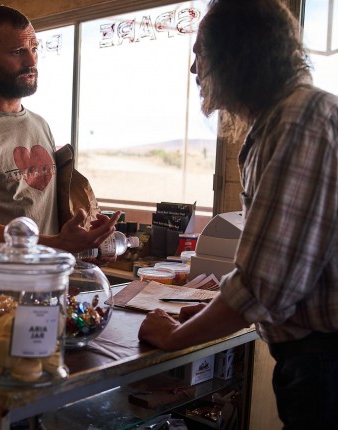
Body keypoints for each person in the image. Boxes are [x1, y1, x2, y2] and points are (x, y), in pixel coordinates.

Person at [138, 0, 338, 427]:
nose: (194, 70)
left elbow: (264, 286)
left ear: (236, 56)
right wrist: (209, 313)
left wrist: (175, 336)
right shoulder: (290, 117)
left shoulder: (297, 121)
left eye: (201, 56)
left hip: (326, 365)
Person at [0, 5, 118, 292]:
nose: (31, 61)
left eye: (34, 49)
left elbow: (42, 209)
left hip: (50, 291)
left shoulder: (40, 124)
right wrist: (58, 244)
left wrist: (86, 237)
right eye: (17, 52)